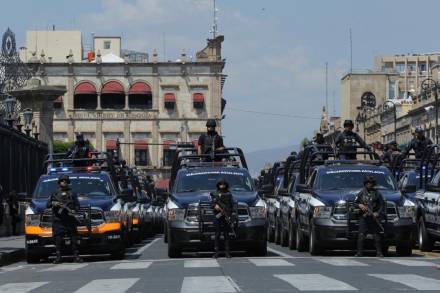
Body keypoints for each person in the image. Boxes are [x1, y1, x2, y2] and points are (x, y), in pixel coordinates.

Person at [47, 175, 82, 264]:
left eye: (65, 180)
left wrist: (74, 210)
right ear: (59, 182)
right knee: (58, 239)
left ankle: (76, 256)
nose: (64, 182)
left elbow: (78, 205)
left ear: (68, 182)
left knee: (74, 238)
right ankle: (58, 257)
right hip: (58, 220)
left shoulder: (72, 193)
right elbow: (47, 205)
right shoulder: (54, 193)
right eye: (62, 180)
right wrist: (54, 203)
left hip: (70, 219)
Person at [354, 176, 385, 257]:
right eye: (367, 183)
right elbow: (355, 203)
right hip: (364, 217)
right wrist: (359, 205)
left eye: (370, 183)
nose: (369, 184)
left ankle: (379, 252)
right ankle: (359, 252)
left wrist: (377, 213)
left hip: (373, 217)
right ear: (365, 184)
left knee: (376, 235)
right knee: (361, 235)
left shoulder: (377, 193)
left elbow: (382, 204)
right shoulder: (361, 193)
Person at [211, 178, 234, 258]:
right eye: (220, 184)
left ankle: (227, 252)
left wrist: (229, 215)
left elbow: (231, 206)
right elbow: (212, 204)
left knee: (226, 234)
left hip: (226, 216)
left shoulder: (229, 194)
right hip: (217, 216)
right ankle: (216, 252)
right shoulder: (215, 194)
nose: (222, 186)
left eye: (223, 184)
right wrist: (215, 206)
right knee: (217, 234)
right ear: (218, 185)